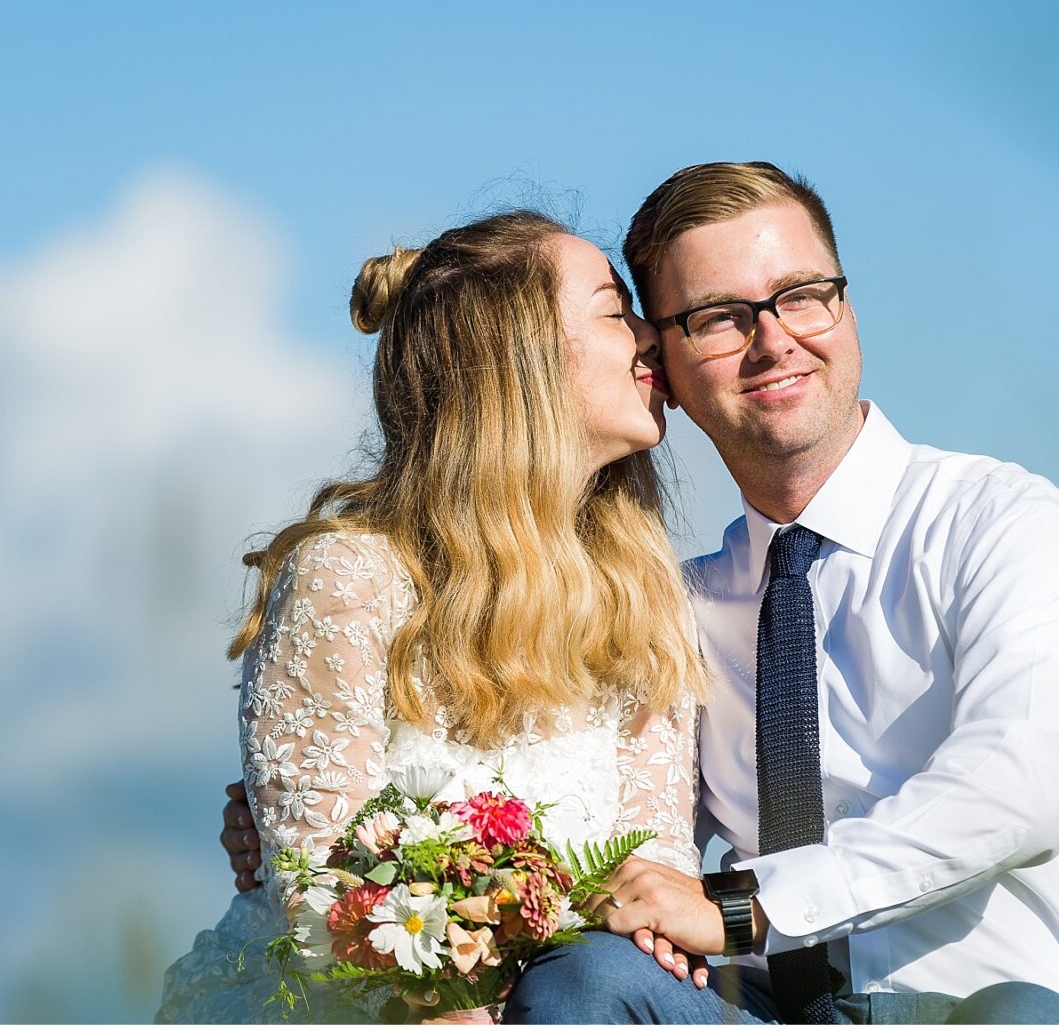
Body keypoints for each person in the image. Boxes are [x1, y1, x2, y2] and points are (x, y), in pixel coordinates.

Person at [224, 162, 1059, 1025]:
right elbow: (613, 857)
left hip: (980, 1007)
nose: (776, 337)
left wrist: (746, 907)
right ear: (661, 356)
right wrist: (349, 848)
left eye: (804, 295)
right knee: (591, 980)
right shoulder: (671, 605)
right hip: (741, 1013)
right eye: (720, 317)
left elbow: (1017, 786)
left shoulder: (1001, 522)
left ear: (848, 307)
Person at [158, 210, 712, 1023]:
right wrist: (433, 1001)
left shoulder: (643, 596)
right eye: (612, 308)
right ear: (515, 354)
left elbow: (655, 867)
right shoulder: (348, 576)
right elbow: (314, 884)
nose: (650, 337)